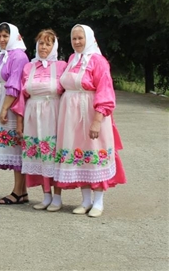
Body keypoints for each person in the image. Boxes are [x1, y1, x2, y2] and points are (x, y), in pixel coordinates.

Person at [54, 24, 126, 218]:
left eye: (80, 38)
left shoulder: (99, 61)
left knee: (94, 153)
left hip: (90, 112)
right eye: (74, 39)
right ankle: (85, 200)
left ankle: (99, 201)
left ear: (89, 39)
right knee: (78, 155)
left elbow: (105, 91)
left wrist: (97, 120)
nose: (77, 42)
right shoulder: (71, 59)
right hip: (70, 115)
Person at [11, 29, 67, 211]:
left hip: (53, 112)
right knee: (40, 154)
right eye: (41, 43)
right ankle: (46, 195)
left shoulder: (61, 66)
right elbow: (22, 96)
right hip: (32, 115)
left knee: (54, 154)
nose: (44, 47)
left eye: (48, 43)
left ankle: (57, 196)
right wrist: (19, 122)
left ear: (54, 46)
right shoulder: (29, 67)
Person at [0, 22, 30, 205]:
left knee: (16, 149)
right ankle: (22, 191)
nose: (2, 39)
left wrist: (4, 108)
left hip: (12, 106)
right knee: (13, 148)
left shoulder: (19, 56)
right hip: (0, 99)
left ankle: (17, 191)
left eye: (5, 36)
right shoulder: (2, 56)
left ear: (13, 36)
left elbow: (14, 85)